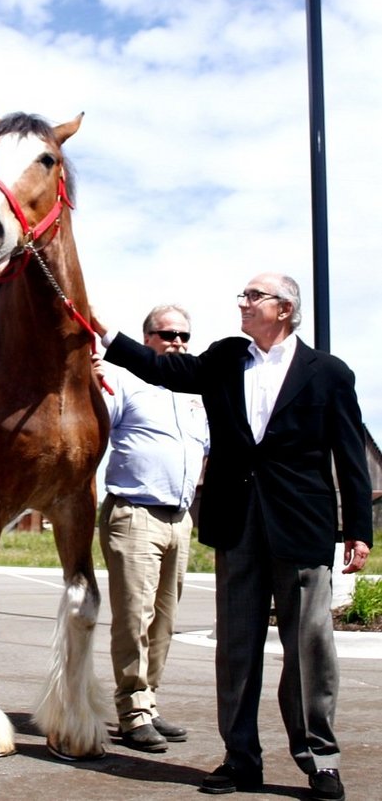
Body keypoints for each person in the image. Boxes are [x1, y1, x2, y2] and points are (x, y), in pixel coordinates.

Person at [91, 273, 372, 801]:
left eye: (253, 296)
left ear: (284, 309)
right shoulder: (224, 358)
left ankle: (320, 759)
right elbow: (161, 368)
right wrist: (107, 334)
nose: (242, 303)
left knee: (310, 649)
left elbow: (349, 455)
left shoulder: (329, 373)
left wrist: (358, 527)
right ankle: (241, 759)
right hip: (237, 523)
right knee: (236, 650)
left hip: (303, 527)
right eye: (243, 295)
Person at [96, 305, 209, 753]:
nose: (177, 341)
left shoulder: (193, 393)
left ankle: (149, 702)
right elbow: (92, 431)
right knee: (134, 620)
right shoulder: (123, 380)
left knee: (164, 621)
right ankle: (132, 711)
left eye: (184, 334)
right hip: (134, 514)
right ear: (147, 339)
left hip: (180, 520)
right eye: (167, 334)